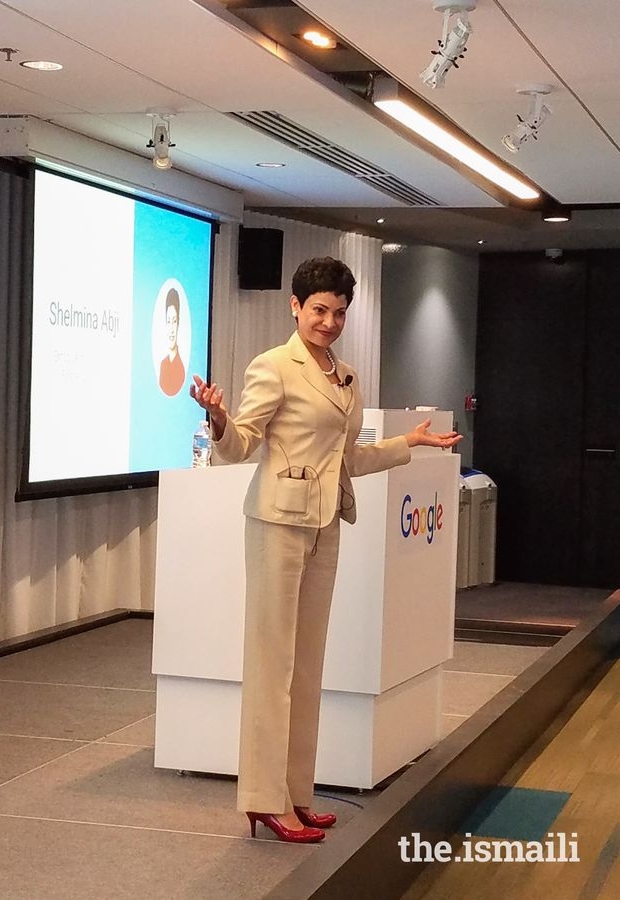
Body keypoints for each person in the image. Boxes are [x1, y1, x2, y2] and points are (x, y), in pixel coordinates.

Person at [189, 256, 461, 843]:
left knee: (307, 668)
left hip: (325, 524)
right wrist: (217, 416)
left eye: (339, 312)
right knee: (271, 666)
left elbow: (346, 460)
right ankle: (263, 799)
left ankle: (295, 792)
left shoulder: (346, 376)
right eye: (319, 310)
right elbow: (241, 448)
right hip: (276, 524)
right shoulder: (273, 367)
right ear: (295, 307)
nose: (329, 322)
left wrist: (406, 443)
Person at [158, 288, 185, 396]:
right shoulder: (163, 364)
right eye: (168, 321)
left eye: (174, 321)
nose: (171, 329)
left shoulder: (181, 368)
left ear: (178, 323)